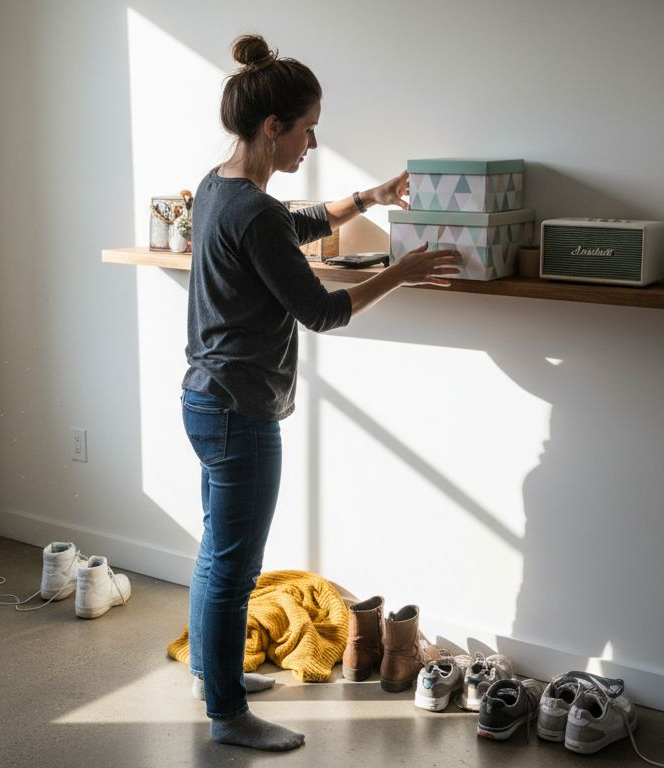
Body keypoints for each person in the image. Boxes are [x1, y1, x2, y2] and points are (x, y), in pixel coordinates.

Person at [180, 33, 460, 752]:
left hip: (206, 398)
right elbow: (323, 312)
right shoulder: (251, 209)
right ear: (272, 126)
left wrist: (369, 196)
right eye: (307, 127)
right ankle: (229, 714)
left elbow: (293, 226)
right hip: (240, 411)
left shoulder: (219, 188)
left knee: (218, 555)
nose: (312, 140)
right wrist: (403, 270)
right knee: (232, 567)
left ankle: (215, 682)